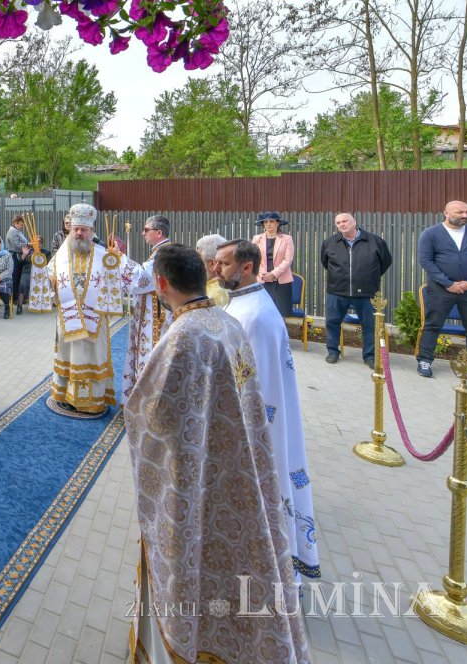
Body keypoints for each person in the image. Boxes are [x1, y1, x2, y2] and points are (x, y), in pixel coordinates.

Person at [125, 244, 310, 663]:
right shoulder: (226, 321)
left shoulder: (183, 337)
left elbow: (149, 411)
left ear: (161, 284)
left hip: (196, 477)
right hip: (236, 465)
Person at [216, 239, 320, 580]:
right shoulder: (246, 303)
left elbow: (253, 388)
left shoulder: (255, 316)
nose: (216, 269)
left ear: (246, 267)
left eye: (223, 264)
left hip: (257, 427)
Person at [29, 204, 130, 414]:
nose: (78, 233)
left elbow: (119, 281)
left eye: (83, 230)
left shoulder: (105, 255)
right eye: (75, 229)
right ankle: (65, 395)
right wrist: (41, 273)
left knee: (92, 356)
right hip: (68, 317)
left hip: (94, 320)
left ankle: (91, 400)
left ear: (91, 231)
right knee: (68, 355)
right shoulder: (63, 253)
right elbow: (50, 275)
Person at [416, 200, 467, 385]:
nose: (465, 215)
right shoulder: (431, 234)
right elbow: (426, 261)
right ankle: (425, 361)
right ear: (446, 212)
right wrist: (448, 283)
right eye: (460, 212)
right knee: (432, 325)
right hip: (440, 289)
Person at [320, 213, 392, 366]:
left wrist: (368, 277)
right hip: (337, 291)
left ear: (354, 222)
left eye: (345, 221)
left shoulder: (375, 242)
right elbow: (325, 262)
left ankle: (370, 356)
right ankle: (333, 351)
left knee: (369, 324)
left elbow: (385, 262)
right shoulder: (330, 243)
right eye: (338, 222)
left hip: (366, 292)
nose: (342, 224)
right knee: (332, 322)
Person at [122, 215, 174, 400]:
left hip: (156, 316)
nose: (143, 233)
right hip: (152, 312)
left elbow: (141, 278)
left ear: (159, 233)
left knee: (152, 356)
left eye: (146, 230)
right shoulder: (161, 251)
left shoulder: (163, 253)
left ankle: (149, 401)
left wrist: (118, 260)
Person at [252, 211, 294, 317]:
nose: (268, 224)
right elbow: (253, 258)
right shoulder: (257, 239)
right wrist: (264, 274)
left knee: (281, 313)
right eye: (265, 222)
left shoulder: (287, 239)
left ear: (277, 223)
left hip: (282, 281)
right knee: (262, 312)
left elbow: (287, 260)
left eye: (271, 221)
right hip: (262, 279)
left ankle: (280, 334)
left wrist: (273, 274)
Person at [194, 233, 230, 308]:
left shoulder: (211, 296)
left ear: (212, 263)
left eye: (197, 259)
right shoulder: (228, 288)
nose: (194, 263)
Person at [6, 215, 30, 315]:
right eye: (21, 225)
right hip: (14, 256)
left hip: (18, 256)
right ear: (15, 223)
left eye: (23, 225)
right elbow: (16, 246)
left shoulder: (17, 231)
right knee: (15, 278)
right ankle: (14, 299)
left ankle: (17, 298)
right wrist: (29, 244)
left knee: (18, 277)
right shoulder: (12, 231)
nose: (22, 227)